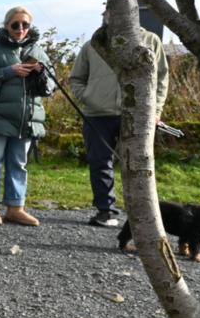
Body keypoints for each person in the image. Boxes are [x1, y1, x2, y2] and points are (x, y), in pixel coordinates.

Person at [68, 16, 170, 228]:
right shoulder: (93, 44)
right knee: (99, 163)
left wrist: (155, 109)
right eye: (108, 11)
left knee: (137, 164)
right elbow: (76, 78)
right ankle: (106, 211)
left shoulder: (150, 40)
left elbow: (161, 78)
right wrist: (88, 96)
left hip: (137, 114)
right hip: (97, 115)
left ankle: (142, 215)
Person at [0, 6, 51, 226]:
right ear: (6, 26)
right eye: (15, 24)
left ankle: (16, 208)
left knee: (19, 163)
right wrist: (8, 72)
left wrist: (41, 74)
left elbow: (51, 86)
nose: (20, 29)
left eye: (25, 24)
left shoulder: (39, 52)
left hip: (26, 120)